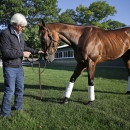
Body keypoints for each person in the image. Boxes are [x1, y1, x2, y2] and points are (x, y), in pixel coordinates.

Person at [0, 13, 43, 117]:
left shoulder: (20, 34)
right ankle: (5, 114)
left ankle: (18, 108)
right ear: (14, 24)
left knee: (20, 88)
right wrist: (22, 54)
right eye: (22, 26)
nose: (23, 29)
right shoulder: (5, 34)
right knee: (10, 90)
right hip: (9, 67)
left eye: (24, 27)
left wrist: (37, 51)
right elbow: (5, 53)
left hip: (19, 67)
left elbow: (25, 47)